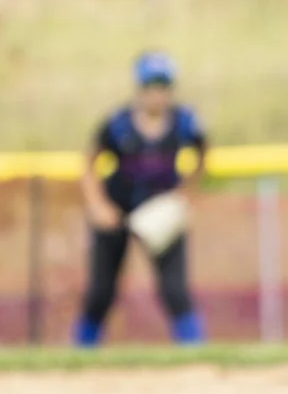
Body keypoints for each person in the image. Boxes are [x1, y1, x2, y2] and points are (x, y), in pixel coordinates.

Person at [74, 52, 208, 346]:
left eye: (163, 86)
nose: (157, 93)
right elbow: (89, 163)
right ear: (140, 88)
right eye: (151, 86)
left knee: (175, 291)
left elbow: (202, 153)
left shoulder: (184, 122)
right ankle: (80, 355)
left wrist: (186, 195)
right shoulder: (118, 124)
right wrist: (97, 205)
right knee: (100, 292)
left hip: (160, 212)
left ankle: (196, 354)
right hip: (118, 209)